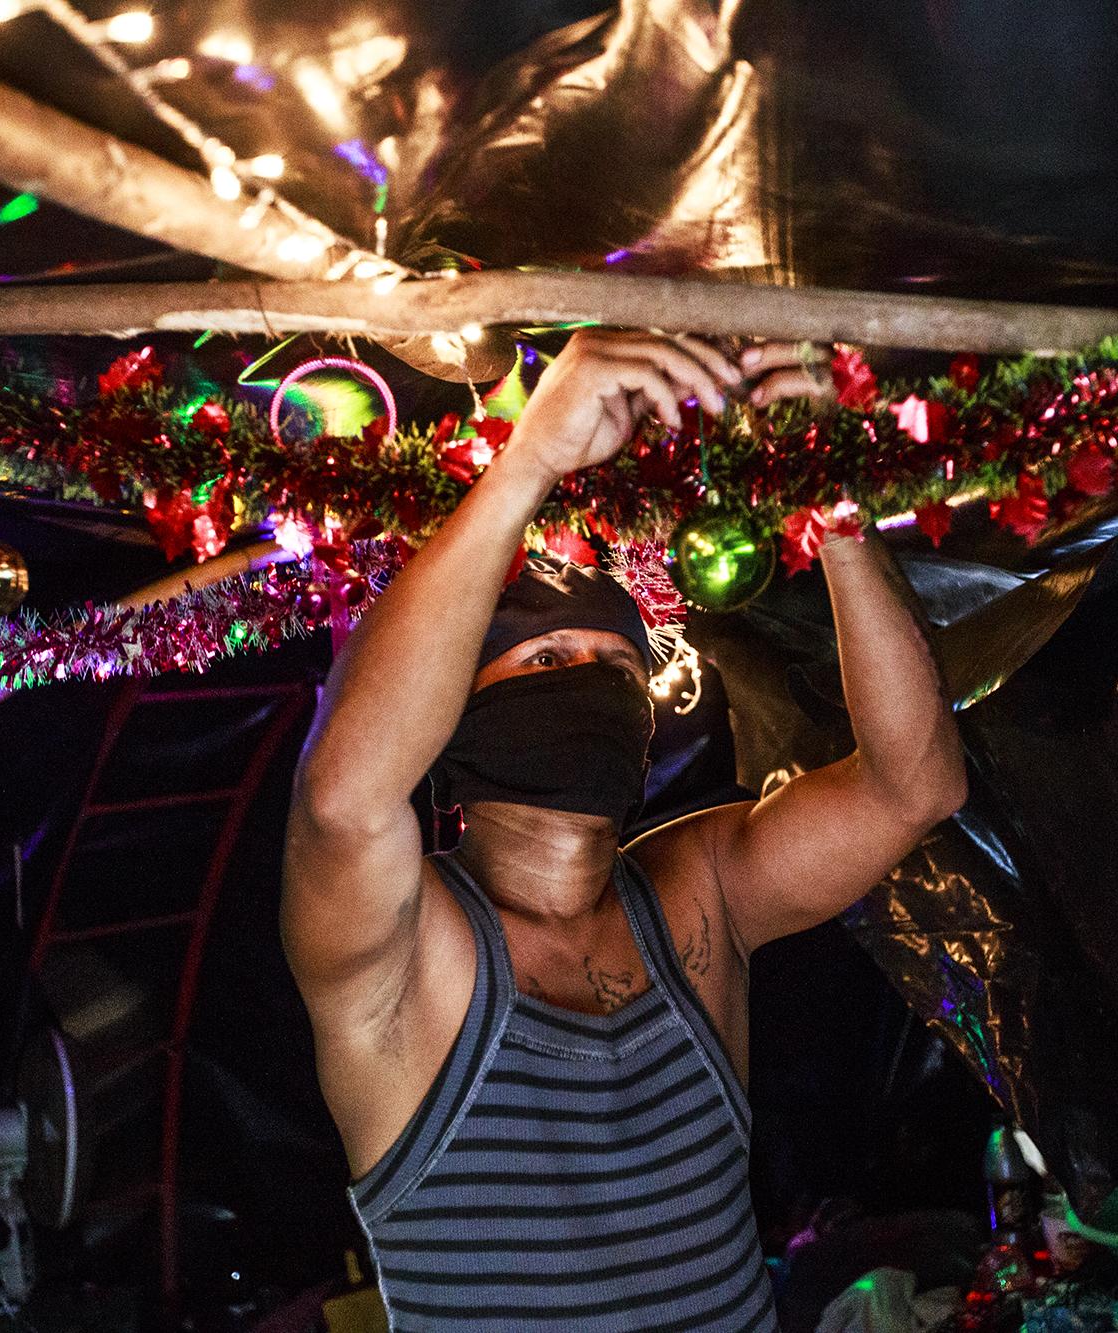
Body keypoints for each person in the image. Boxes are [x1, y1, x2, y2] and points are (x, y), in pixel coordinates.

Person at [282, 331, 966, 1331]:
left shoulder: (698, 891)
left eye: (617, 659)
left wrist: (836, 502)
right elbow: (341, 795)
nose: (595, 678)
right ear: (453, 716)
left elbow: (915, 785)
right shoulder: (404, 957)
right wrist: (530, 460)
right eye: (547, 655)